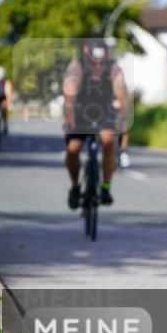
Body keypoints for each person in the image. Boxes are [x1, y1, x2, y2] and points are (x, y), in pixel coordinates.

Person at [63, 39, 129, 207]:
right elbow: (69, 96)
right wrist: (70, 120)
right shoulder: (77, 67)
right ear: (87, 58)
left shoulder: (113, 68)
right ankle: (75, 187)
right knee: (73, 149)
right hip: (80, 112)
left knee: (108, 141)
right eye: (94, 63)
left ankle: (105, 187)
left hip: (104, 111)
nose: (98, 67)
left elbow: (122, 94)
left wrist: (122, 118)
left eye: (101, 63)